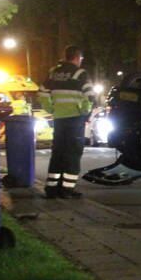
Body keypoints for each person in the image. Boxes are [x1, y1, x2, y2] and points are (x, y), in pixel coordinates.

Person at [41, 45, 94, 199]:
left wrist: (51, 109)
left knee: (58, 152)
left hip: (59, 119)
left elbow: (42, 92)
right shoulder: (80, 73)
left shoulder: (54, 73)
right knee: (73, 153)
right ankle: (67, 189)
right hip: (74, 119)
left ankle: (51, 188)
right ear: (77, 58)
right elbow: (90, 95)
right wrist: (84, 111)